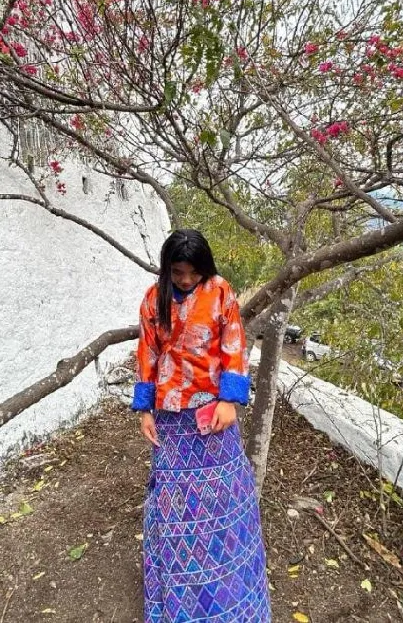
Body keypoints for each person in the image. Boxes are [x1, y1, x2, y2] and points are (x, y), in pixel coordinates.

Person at [131, 229, 271, 623]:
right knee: (172, 507)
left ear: (204, 268)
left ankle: (231, 598)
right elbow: (148, 352)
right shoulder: (151, 299)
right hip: (171, 421)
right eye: (178, 272)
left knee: (225, 501)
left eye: (193, 272)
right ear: (167, 269)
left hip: (213, 415)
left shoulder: (221, 292)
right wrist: (145, 409)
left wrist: (229, 400)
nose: (187, 280)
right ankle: (174, 598)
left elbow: (234, 344)